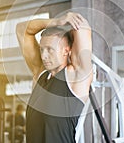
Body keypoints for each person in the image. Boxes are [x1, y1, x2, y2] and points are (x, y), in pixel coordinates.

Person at [16, 12, 92, 143]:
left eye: (50, 49)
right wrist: (55, 22)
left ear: (66, 50)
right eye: (42, 49)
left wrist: (68, 19)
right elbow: (21, 29)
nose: (44, 56)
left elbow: (83, 28)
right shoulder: (40, 74)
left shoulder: (75, 76)